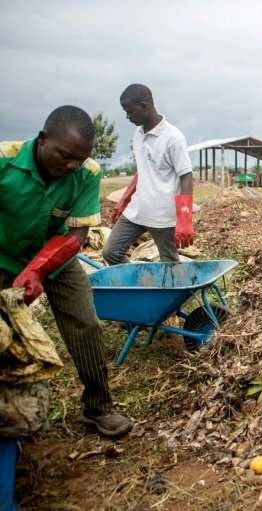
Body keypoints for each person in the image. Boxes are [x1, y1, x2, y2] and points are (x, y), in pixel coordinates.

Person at [0, 106, 133, 436]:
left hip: (57, 256)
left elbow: (77, 235)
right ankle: (11, 412)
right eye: (65, 156)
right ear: (43, 139)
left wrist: (38, 269)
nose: (72, 165)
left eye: (79, 159)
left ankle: (98, 407)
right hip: (4, 256)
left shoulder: (87, 172)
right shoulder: (4, 160)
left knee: (86, 324)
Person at [103, 84, 194, 265]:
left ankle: (168, 285)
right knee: (111, 252)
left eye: (130, 112)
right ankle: (140, 281)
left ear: (144, 106)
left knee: (170, 266)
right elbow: (143, 169)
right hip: (138, 210)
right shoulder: (138, 133)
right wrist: (124, 200)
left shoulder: (173, 138)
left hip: (163, 216)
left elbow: (186, 176)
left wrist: (184, 219)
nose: (127, 117)